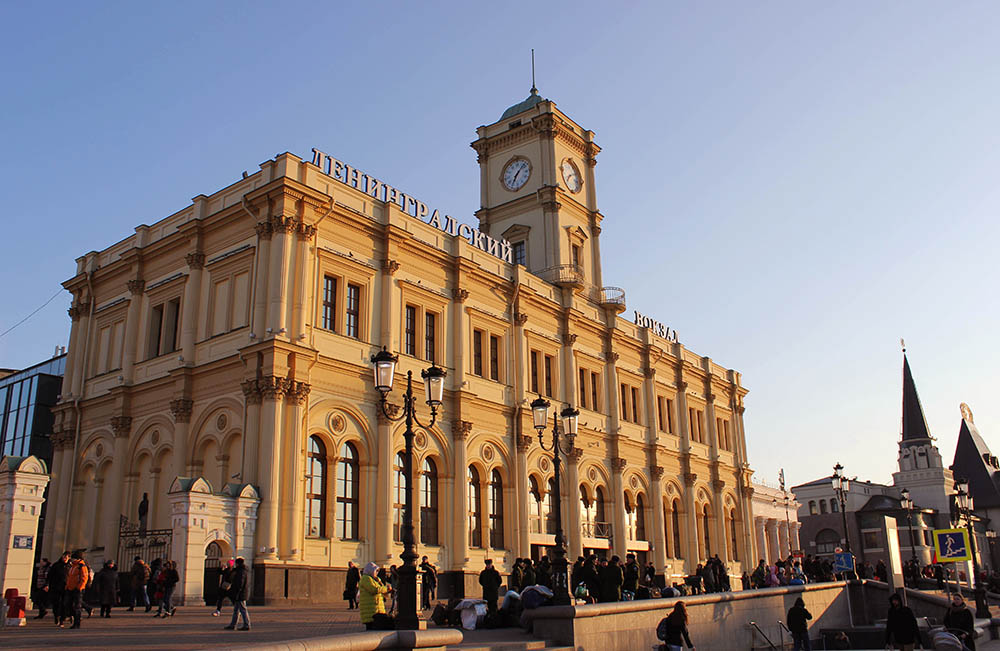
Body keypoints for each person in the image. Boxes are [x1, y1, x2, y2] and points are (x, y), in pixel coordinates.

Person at [359, 562, 392, 630]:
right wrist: (386, 588)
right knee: (372, 629)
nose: (376, 573)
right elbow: (374, 590)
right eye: (375, 571)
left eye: (377, 571)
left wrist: (387, 590)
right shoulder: (366, 578)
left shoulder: (376, 579)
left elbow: (382, 592)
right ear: (370, 570)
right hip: (370, 611)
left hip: (377, 609)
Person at [63, 551, 91, 629]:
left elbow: (84, 578)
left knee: (77, 606)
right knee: (68, 604)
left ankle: (77, 623)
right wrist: (67, 586)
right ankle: (73, 618)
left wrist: (79, 588)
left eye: (73, 558)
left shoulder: (81, 566)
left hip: (77, 589)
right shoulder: (73, 566)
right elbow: (70, 577)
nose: (71, 559)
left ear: (77, 559)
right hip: (70, 588)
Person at [223, 557, 251, 631]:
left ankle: (246, 624)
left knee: (242, 609)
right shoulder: (242, 571)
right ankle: (233, 624)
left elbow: (240, 583)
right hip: (240, 593)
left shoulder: (241, 572)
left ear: (238, 563)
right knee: (236, 610)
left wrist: (237, 592)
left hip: (240, 593)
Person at [46, 551, 70, 626]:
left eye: (67, 557)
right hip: (56, 587)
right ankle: (56, 616)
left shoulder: (70, 566)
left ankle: (62, 619)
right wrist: (47, 585)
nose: (65, 559)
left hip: (66, 587)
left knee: (64, 603)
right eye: (64, 557)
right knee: (56, 603)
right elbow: (50, 576)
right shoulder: (56, 565)